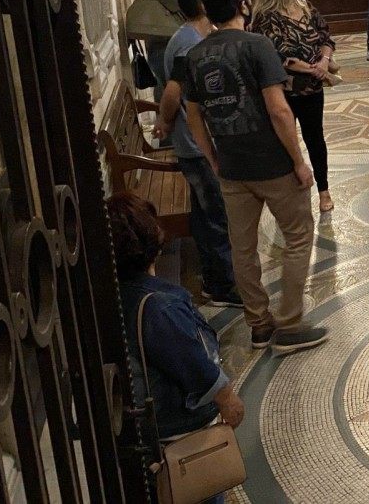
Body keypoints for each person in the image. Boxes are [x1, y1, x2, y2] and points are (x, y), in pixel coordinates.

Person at [181, 0, 328, 354]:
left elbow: (193, 113)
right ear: (241, 4)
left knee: (242, 247)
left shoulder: (195, 55)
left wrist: (211, 157)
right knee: (297, 237)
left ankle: (259, 326)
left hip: (231, 167)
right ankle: (290, 324)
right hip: (273, 164)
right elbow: (279, 110)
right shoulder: (257, 46)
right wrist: (299, 161)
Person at [110, 191, 243, 504]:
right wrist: (228, 399)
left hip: (143, 432)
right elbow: (194, 363)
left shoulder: (115, 296)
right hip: (179, 435)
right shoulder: (160, 306)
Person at [152, 0, 240, 308]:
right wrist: (163, 120)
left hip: (194, 143)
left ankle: (214, 280)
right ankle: (222, 286)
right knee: (216, 215)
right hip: (195, 146)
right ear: (203, 5)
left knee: (207, 217)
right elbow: (174, 91)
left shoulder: (191, 36)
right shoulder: (189, 44)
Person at [250, 0, 337, 216]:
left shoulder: (306, 7)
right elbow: (277, 54)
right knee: (284, 141)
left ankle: (324, 190)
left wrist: (323, 61)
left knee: (315, 138)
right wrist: (313, 69)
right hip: (284, 90)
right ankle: (289, 192)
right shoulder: (266, 17)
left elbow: (325, 36)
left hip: (312, 88)